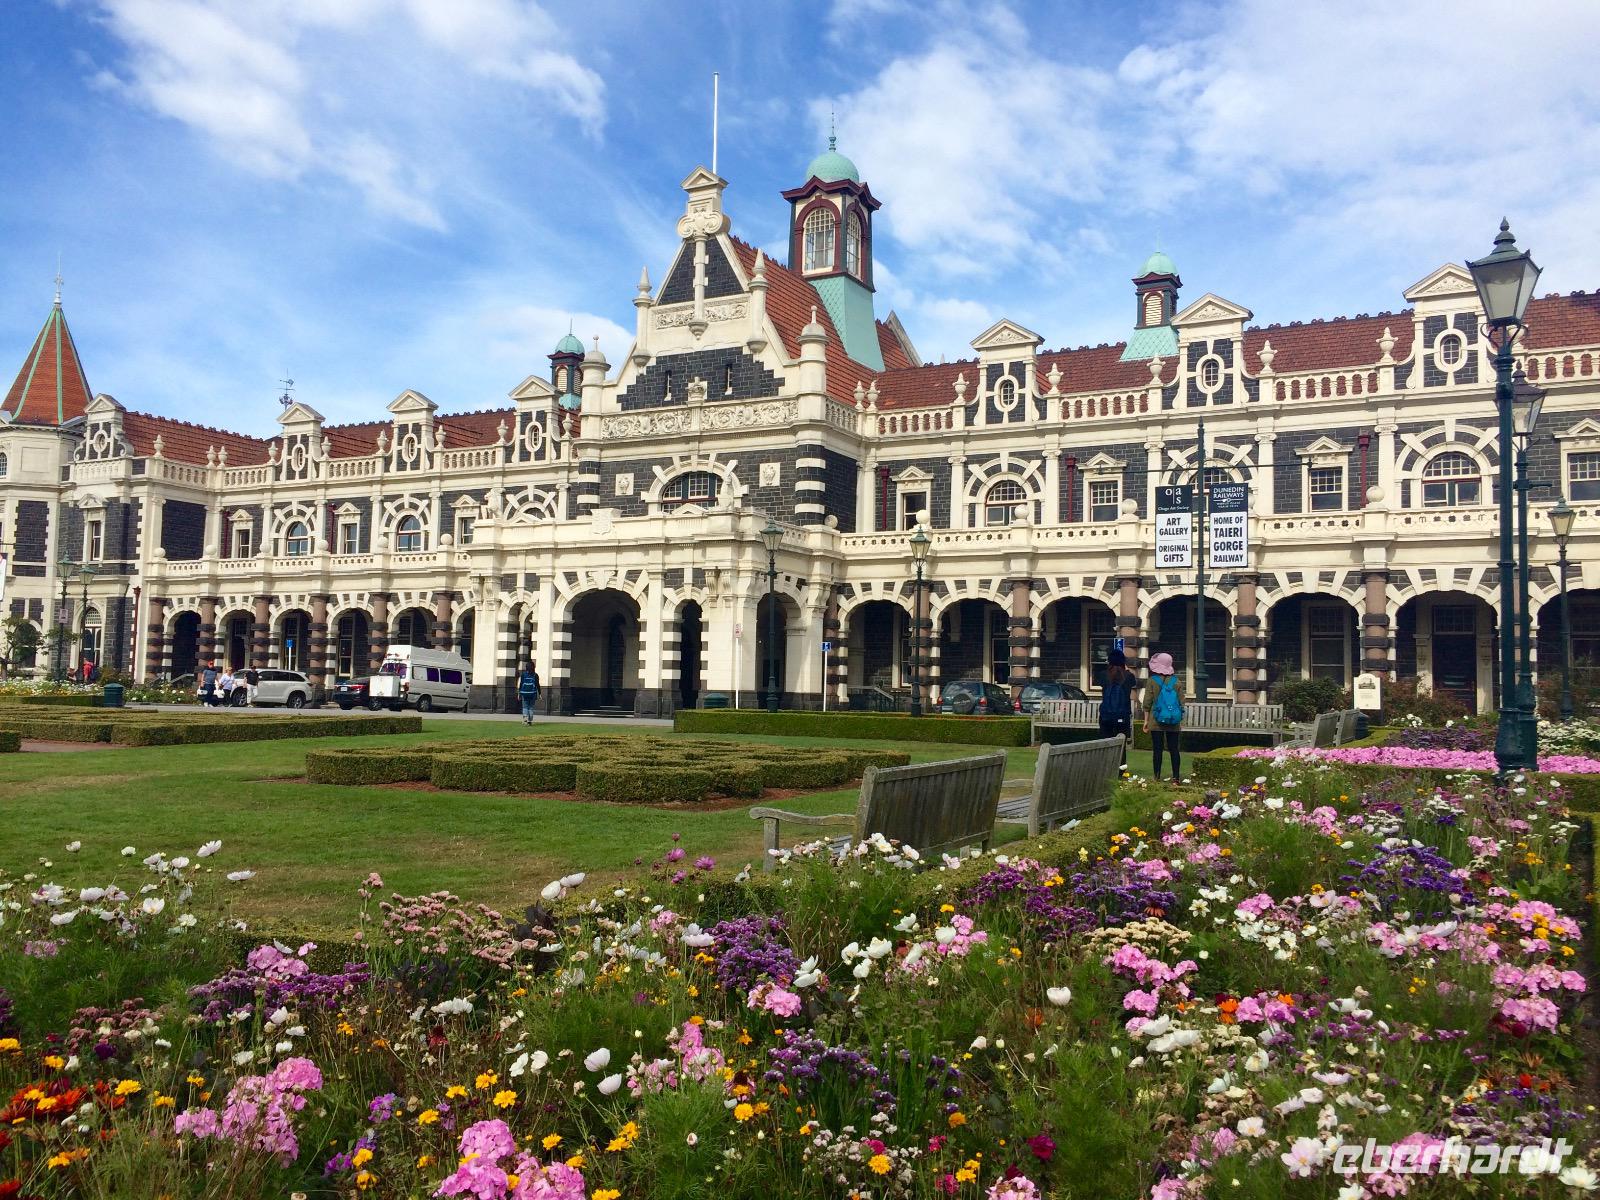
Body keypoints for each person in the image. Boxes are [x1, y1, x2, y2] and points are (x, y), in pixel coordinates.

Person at [1142, 651, 1186, 783]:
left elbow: (1147, 702)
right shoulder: (1177, 682)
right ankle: (1176, 778)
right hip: (1173, 720)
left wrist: (1145, 721)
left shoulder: (1152, 681)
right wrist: (1179, 719)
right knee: (1174, 750)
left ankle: (1156, 776)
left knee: (1157, 750)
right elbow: (1181, 703)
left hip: (1156, 720)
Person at [1098, 648, 1138, 765]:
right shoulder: (1128, 676)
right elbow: (1133, 684)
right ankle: (1121, 769)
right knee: (1121, 745)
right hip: (1122, 714)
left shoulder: (1103, 675)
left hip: (1106, 715)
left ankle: (1105, 766)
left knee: (1105, 742)